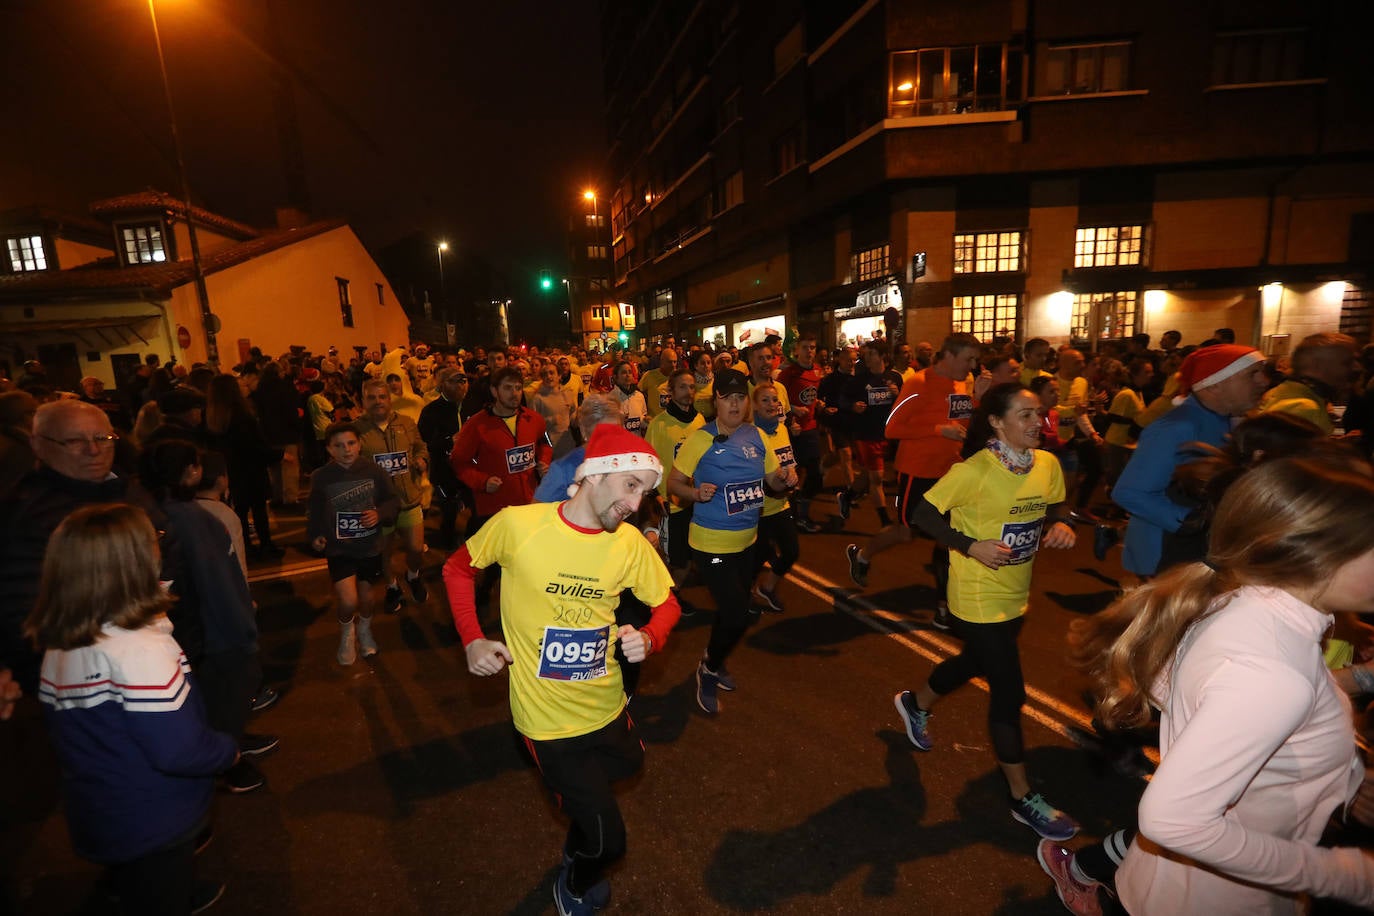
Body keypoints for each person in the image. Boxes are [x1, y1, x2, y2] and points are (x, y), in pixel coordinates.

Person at [1061, 456, 1374, 914]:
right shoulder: (1271, 668)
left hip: (1171, 887)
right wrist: (1340, 874)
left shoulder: (1250, 608)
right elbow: (1172, 819)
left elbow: (1285, 701)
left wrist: (1342, 780)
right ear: (1320, 554)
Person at [441, 425, 682, 915]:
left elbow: (668, 604)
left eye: (646, 492)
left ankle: (584, 820)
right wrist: (472, 639)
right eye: (631, 485)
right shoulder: (518, 525)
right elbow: (458, 569)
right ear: (595, 474)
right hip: (548, 724)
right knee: (608, 843)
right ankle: (574, 878)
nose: (637, 504)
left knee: (629, 765)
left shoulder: (629, 544)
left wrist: (651, 637)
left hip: (607, 703)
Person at [26, 503, 238, 915]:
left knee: (137, 885)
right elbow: (178, 748)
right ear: (132, 562)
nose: (161, 546)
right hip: (154, 815)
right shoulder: (139, 647)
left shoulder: (66, 636)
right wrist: (226, 751)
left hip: (103, 806)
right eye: (153, 540)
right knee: (161, 892)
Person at [892, 383, 1080, 841]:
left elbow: (1059, 504)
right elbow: (921, 512)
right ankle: (1021, 797)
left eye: (1038, 414)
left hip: (1016, 591)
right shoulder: (976, 470)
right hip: (975, 595)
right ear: (996, 422)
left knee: (973, 662)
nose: (1038, 423)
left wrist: (1060, 523)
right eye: (1024, 415)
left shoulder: (1047, 464)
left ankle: (914, 703)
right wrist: (969, 544)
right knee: (1008, 691)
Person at [668, 369, 796, 714]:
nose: (735, 404)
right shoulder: (700, 438)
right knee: (738, 614)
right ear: (717, 402)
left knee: (733, 612)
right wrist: (695, 492)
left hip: (747, 541)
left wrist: (785, 478)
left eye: (741, 397)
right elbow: (674, 483)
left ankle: (716, 656)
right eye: (728, 398)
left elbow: (772, 481)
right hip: (710, 543)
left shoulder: (756, 435)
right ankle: (708, 668)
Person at [846, 333, 979, 631]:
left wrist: (979, 399)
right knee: (906, 533)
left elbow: (966, 426)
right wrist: (937, 429)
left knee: (948, 537)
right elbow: (891, 428)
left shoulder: (961, 384)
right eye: (968, 359)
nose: (972, 366)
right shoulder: (919, 383)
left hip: (950, 474)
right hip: (916, 473)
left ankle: (944, 606)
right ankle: (862, 554)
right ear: (950, 356)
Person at [1112, 344, 1267, 578]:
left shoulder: (1226, 420)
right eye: (1252, 374)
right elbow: (1129, 492)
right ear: (1215, 383)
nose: (1264, 381)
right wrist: (1190, 522)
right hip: (1166, 558)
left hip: (1197, 554)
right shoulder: (1177, 427)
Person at [308, 422, 400, 665]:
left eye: (350, 443)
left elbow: (392, 501)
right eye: (338, 446)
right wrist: (316, 534)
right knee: (348, 600)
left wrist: (379, 514)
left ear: (359, 444)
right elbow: (315, 510)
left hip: (370, 547)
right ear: (328, 449)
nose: (346, 450)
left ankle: (365, 631)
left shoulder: (375, 471)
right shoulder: (322, 477)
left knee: (367, 599)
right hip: (340, 549)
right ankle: (347, 634)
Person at [354, 379, 430, 612]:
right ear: (363, 401)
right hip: (378, 506)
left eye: (382, 397)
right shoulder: (356, 430)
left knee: (416, 550)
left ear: (389, 399)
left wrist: (421, 460)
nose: (378, 402)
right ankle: (392, 586)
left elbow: (420, 446)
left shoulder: (406, 423)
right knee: (383, 553)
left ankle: (413, 575)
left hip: (408, 500)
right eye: (372, 397)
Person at [205, 375, 283, 559]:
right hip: (251, 469)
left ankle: (245, 545)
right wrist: (278, 455)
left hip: (231, 469)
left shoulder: (212, 416)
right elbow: (255, 446)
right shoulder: (241, 415)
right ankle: (266, 544)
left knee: (239, 509)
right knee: (258, 509)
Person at [644, 370, 704, 581]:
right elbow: (648, 463)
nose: (689, 392)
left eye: (691, 387)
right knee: (675, 559)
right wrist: (655, 495)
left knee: (693, 554)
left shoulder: (699, 420)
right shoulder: (659, 424)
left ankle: (673, 594)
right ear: (670, 391)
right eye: (682, 387)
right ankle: (667, 599)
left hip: (697, 500)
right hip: (672, 505)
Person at [836, 340, 902, 526]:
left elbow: (904, 404)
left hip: (886, 433)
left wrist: (897, 395)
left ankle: (847, 497)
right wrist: (853, 406)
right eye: (867, 354)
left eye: (872, 353)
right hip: (865, 433)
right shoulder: (859, 380)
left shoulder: (895, 378)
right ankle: (885, 521)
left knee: (868, 473)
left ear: (882, 357)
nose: (867, 357)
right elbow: (842, 399)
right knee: (877, 477)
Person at [749, 381, 800, 613]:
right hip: (758, 511)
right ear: (754, 406)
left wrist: (792, 475)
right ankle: (743, 597)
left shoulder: (783, 430)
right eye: (765, 400)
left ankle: (767, 588)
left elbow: (790, 463)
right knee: (754, 560)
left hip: (781, 505)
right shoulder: (750, 436)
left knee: (791, 551)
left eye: (774, 399)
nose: (771, 404)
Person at [1260, 331, 1358, 434]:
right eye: (1346, 363)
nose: (1356, 367)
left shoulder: (1286, 393)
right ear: (1318, 365)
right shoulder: (1303, 409)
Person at [776, 333, 825, 532]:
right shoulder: (788, 373)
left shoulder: (817, 371)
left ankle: (800, 511)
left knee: (816, 474)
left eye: (812, 347)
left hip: (810, 429)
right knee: (790, 476)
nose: (809, 351)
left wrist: (819, 404)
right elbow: (778, 399)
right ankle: (793, 517)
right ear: (796, 350)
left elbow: (812, 396)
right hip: (792, 430)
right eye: (805, 347)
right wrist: (794, 410)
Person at [417, 367, 469, 549]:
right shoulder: (432, 411)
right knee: (449, 510)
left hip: (471, 468)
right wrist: (450, 440)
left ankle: (470, 539)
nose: (461, 385)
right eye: (455, 381)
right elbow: (424, 442)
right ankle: (448, 545)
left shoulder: (473, 406)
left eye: (464, 381)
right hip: (444, 470)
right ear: (442, 385)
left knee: (474, 507)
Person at [608, 361, 648, 436]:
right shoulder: (610, 398)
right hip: (619, 444)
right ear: (616, 377)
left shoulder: (639, 396)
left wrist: (646, 421)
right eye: (623, 372)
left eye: (630, 372)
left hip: (636, 444)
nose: (627, 375)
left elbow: (642, 420)